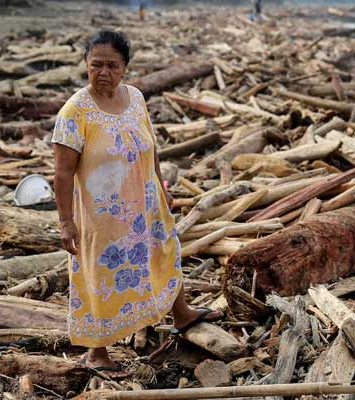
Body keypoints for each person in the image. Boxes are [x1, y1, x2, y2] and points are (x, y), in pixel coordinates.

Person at [51, 30, 224, 379]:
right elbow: (63, 173)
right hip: (105, 216)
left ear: (125, 67)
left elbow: (151, 147)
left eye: (111, 65)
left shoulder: (135, 99)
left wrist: (160, 185)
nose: (103, 72)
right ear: (85, 65)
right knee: (100, 275)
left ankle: (182, 313)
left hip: (145, 204)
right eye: (95, 64)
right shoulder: (74, 112)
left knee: (164, 252)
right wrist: (66, 222)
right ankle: (97, 351)